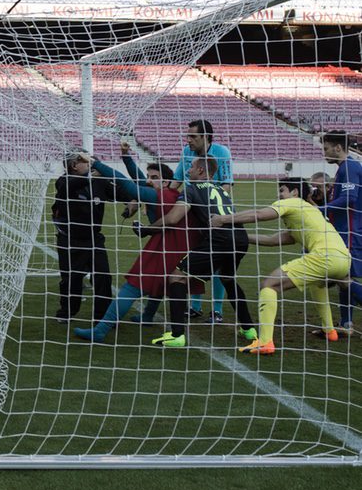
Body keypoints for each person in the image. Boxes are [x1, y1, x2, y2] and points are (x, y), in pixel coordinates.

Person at [212, 178, 351, 355]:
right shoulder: (308, 212)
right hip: (343, 258)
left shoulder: (293, 203)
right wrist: (240, 236)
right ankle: (329, 331)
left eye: (282, 190)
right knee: (318, 283)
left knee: (269, 285)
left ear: (295, 193)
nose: (278, 194)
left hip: (324, 257)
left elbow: (260, 214)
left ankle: (264, 342)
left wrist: (223, 219)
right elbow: (274, 240)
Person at [74, 146, 198, 343]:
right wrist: (126, 157)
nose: (148, 180)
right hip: (182, 245)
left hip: (168, 245)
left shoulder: (161, 195)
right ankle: (147, 316)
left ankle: (101, 330)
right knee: (161, 282)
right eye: (149, 176)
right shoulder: (168, 193)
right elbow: (138, 179)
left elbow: (129, 186)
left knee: (132, 287)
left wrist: (94, 163)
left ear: (166, 181)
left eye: (154, 177)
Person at [140, 157, 256, 348]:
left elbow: (172, 219)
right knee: (227, 279)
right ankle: (248, 328)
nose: (188, 171)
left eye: (191, 167)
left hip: (220, 239)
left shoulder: (192, 189)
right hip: (240, 238)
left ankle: (177, 334)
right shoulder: (220, 189)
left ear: (201, 171)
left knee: (177, 277)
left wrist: (147, 229)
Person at [170, 120, 234, 322]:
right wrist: (161, 198)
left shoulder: (222, 153)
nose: (188, 140)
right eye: (188, 136)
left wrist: (211, 207)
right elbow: (176, 180)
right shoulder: (186, 153)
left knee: (217, 264)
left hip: (216, 216)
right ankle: (195, 306)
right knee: (194, 258)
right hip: (192, 214)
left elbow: (226, 184)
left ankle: (217, 310)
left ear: (206, 137)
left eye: (193, 136)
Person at [52, 151, 115, 324]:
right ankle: (67, 312)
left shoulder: (98, 181)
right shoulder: (63, 181)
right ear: (74, 165)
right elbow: (71, 185)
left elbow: (118, 192)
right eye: (85, 161)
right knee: (71, 278)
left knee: (102, 277)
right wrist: (92, 173)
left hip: (94, 238)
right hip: (70, 239)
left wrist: (131, 201)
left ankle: (102, 317)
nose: (90, 163)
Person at [314, 131, 362, 331]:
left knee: (341, 278)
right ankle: (346, 322)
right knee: (344, 276)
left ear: (338, 147)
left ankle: (346, 321)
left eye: (326, 149)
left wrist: (318, 210)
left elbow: (349, 199)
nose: (324, 153)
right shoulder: (346, 168)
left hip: (349, 233)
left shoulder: (349, 168)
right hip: (345, 230)